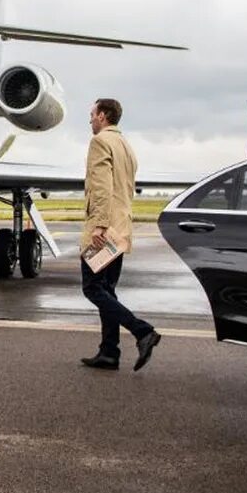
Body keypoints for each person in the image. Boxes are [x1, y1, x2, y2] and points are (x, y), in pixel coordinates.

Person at [79, 98, 162, 372]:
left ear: (103, 116)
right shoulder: (125, 145)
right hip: (122, 228)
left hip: (105, 230)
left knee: (92, 287)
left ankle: (143, 332)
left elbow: (102, 187)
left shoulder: (100, 142)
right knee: (107, 289)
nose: (90, 119)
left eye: (92, 114)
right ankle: (109, 352)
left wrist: (99, 227)